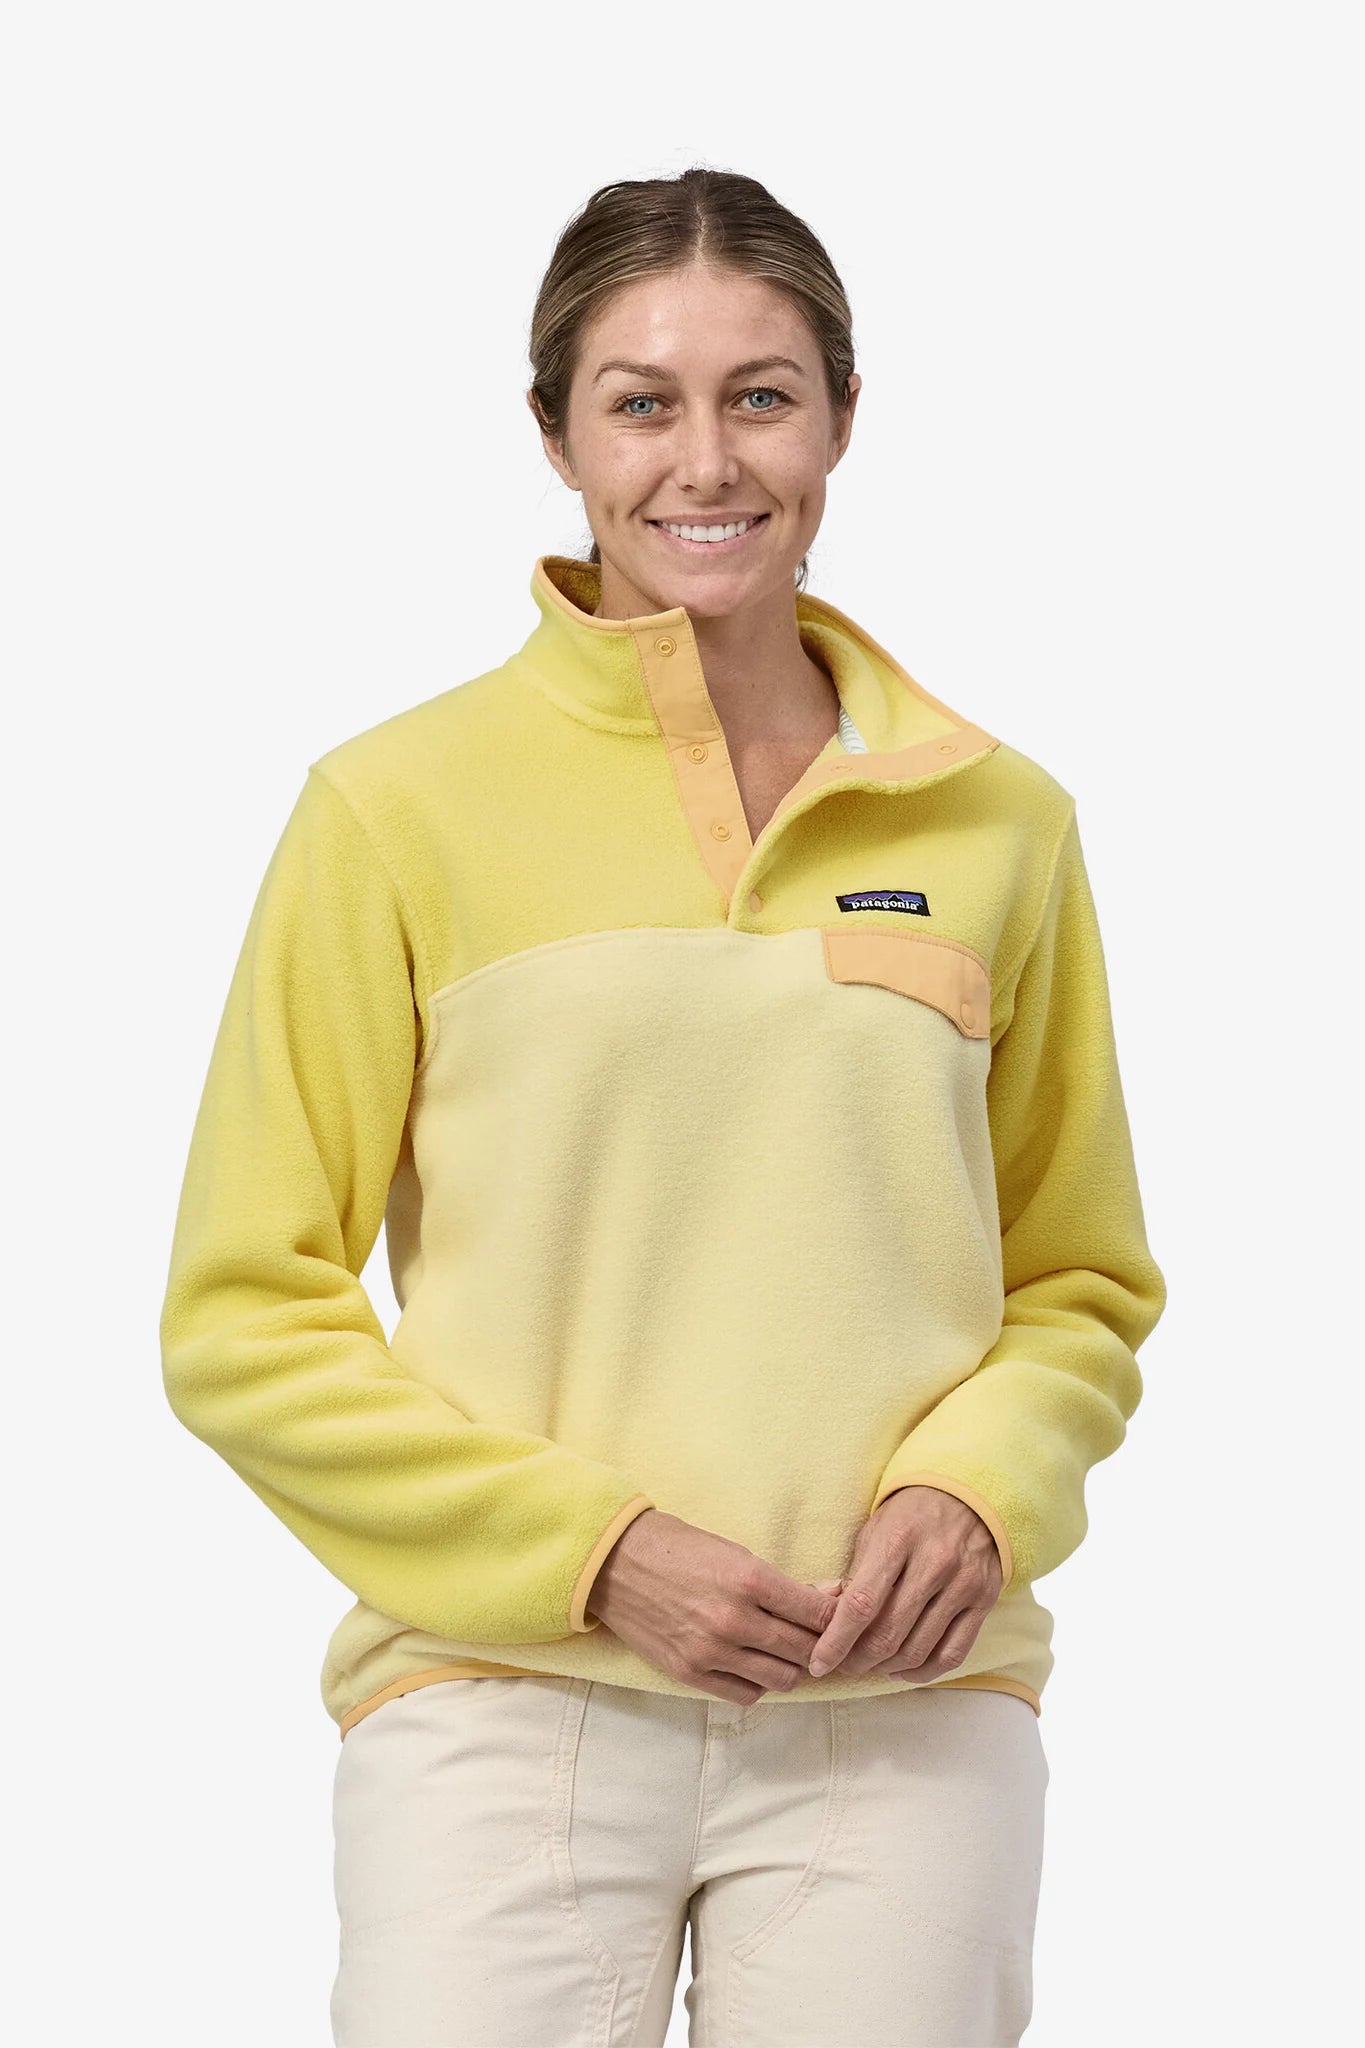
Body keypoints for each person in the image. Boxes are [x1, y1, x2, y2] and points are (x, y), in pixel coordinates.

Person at [160, 166, 1167, 2047]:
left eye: (760, 396)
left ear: (841, 418)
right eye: (642, 402)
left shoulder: (999, 821)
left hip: (901, 1712)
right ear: (556, 438)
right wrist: (596, 1555)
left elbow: (1079, 1282)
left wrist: (978, 1484)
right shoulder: (394, 807)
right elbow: (243, 1314)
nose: (705, 462)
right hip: (501, 1699)